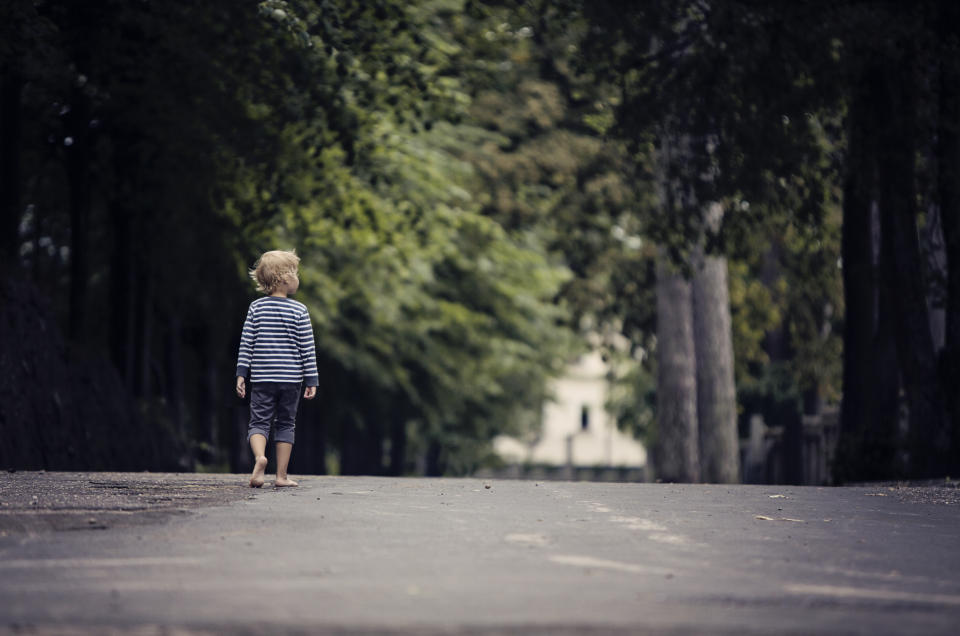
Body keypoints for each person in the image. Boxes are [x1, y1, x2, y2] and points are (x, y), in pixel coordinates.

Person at [235, 250, 318, 488]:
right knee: (285, 424)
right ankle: (281, 476)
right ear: (284, 278)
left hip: (262, 377)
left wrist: (242, 374)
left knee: (259, 422)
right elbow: (307, 349)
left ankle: (260, 458)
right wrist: (312, 379)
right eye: (295, 273)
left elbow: (246, 342)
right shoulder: (299, 311)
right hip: (291, 379)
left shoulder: (256, 308)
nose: (298, 278)